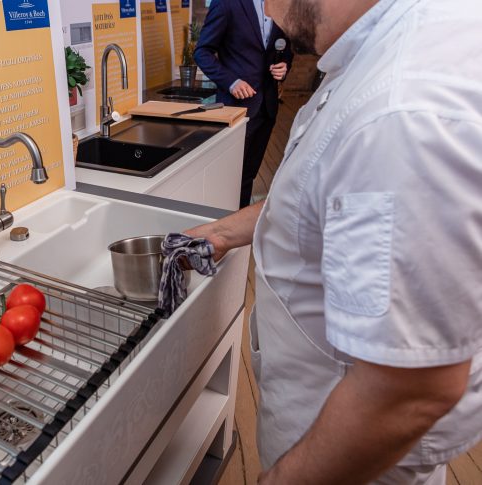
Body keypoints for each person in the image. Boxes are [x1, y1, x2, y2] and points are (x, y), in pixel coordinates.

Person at [186, 0, 482, 483]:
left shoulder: (399, 112)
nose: (270, 13)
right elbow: (325, 197)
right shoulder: (379, 54)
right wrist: (222, 232)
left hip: (345, 450)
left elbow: (408, 392)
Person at [194, 0, 293, 208]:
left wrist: (284, 66)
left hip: (267, 107)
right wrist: (231, 82)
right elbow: (202, 52)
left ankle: (238, 221)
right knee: (228, 177)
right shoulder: (226, 3)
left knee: (248, 176)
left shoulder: (281, 3)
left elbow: (285, 49)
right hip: (235, 109)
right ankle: (222, 222)